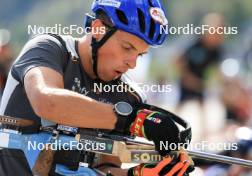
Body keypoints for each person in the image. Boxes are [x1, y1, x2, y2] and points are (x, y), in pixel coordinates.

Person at [0, 1, 194, 175]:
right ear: (98, 29)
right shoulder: (49, 48)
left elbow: (105, 168)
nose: (132, 64)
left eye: (140, 55)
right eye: (127, 48)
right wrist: (131, 120)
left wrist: (139, 174)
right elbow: (48, 102)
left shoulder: (128, 96)